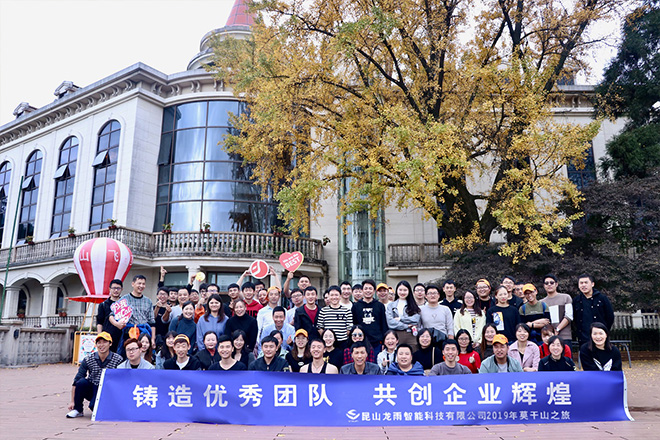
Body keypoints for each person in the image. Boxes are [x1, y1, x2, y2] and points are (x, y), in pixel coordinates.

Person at [66, 332, 122, 418]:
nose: (101, 345)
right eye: (99, 342)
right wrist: (72, 401)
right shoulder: (88, 359)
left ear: (110, 344)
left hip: (108, 389)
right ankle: (78, 409)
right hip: (93, 386)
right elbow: (77, 379)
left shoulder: (118, 359)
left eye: (105, 342)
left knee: (94, 407)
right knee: (81, 382)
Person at [108, 275, 156, 355]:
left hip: (144, 334)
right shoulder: (124, 299)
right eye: (139, 283)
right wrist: (117, 324)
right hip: (129, 333)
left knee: (144, 356)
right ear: (133, 284)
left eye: (143, 284)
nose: (141, 286)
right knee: (129, 355)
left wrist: (153, 339)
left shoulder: (148, 301)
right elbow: (111, 315)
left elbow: (152, 322)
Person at [573, 274, 615, 346]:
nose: (583, 285)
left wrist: (603, 331)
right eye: (581, 283)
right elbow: (574, 320)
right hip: (583, 338)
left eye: (586, 282)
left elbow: (610, 317)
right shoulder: (576, 301)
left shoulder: (602, 298)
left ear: (592, 284)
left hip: (600, 338)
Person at [352, 279, 388, 353]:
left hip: (377, 342)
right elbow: (354, 324)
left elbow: (383, 325)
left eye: (370, 288)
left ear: (374, 291)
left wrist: (384, 342)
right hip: (361, 342)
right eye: (366, 288)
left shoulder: (380, 306)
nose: (368, 291)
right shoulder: (356, 306)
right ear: (362, 290)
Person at [386, 281, 422, 350]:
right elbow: (390, 322)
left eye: (405, 290)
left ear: (409, 291)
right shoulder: (391, 305)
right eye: (400, 290)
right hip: (396, 335)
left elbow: (415, 320)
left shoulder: (414, 304)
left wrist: (400, 319)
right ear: (397, 291)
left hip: (411, 335)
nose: (402, 292)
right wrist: (407, 326)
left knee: (413, 354)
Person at [540, 274, 573, 342]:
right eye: (546, 283)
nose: (549, 285)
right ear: (544, 285)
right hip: (548, 338)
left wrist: (557, 329)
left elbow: (569, 316)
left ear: (556, 284)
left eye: (552, 282)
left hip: (565, 337)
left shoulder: (566, 297)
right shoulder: (541, 303)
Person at [96, 279, 124, 353]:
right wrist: (100, 337)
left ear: (122, 289)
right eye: (114, 288)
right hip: (107, 336)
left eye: (118, 288)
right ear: (109, 289)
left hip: (122, 336)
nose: (116, 290)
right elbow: (99, 322)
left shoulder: (124, 304)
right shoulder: (103, 305)